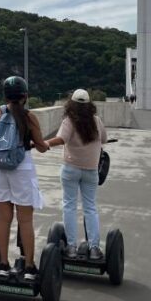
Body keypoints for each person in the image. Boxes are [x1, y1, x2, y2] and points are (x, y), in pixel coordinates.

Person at [0, 76, 49, 281]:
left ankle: (3, 265)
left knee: (3, 219)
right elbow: (41, 146)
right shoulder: (30, 117)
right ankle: (29, 267)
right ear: (25, 96)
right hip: (21, 168)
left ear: (5, 96)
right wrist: (43, 144)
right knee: (25, 219)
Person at [45, 89, 108, 260]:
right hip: (91, 170)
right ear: (89, 105)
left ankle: (71, 247)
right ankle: (94, 248)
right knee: (90, 207)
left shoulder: (69, 121)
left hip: (71, 169)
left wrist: (46, 143)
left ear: (71, 104)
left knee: (69, 206)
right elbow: (104, 139)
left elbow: (61, 139)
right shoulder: (96, 121)